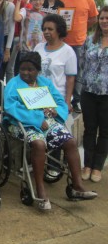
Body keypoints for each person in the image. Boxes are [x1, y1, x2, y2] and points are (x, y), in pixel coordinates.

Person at [3, 52, 97, 210]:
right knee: (39, 144)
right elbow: (11, 107)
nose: (25, 72)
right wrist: (37, 119)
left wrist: (56, 111)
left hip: (48, 120)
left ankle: (77, 186)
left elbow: (60, 101)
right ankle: (40, 189)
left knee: (70, 141)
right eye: (23, 69)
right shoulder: (14, 83)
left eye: (30, 69)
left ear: (38, 70)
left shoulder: (45, 82)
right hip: (23, 123)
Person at [34, 14, 77, 179]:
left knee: (57, 130)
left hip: (56, 99)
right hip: (38, 97)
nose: (46, 32)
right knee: (39, 129)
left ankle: (54, 166)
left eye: (50, 29)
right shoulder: (38, 47)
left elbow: (71, 78)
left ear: (59, 31)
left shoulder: (68, 52)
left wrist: (67, 101)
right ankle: (36, 163)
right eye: (44, 29)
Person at [60, 0, 99, 113]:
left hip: (80, 42)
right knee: (63, 72)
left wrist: (82, 29)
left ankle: (76, 101)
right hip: (63, 42)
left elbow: (94, 18)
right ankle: (63, 100)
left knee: (78, 72)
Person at [81, 7, 108, 183]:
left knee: (105, 132)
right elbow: (82, 63)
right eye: (103, 18)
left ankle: (98, 167)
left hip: (107, 94)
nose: (105, 21)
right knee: (89, 129)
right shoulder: (90, 40)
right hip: (88, 92)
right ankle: (87, 165)